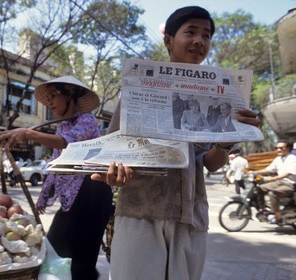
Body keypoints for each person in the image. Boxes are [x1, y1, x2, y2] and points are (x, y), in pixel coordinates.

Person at [91, 6, 261, 280]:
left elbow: (210, 164)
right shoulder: (137, 88)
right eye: (190, 32)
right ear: (168, 40)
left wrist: (227, 142)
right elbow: (114, 152)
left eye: (206, 35)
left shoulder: (220, 94)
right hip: (139, 212)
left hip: (191, 216)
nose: (199, 41)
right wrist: (115, 176)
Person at [0, 75, 113, 280]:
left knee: (83, 254)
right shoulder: (62, 125)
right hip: (73, 194)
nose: (49, 102)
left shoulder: (87, 121)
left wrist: (28, 134)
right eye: (47, 98)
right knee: (56, 247)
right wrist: (45, 193)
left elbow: (67, 142)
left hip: (93, 190)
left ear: (70, 94)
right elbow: (57, 163)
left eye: (53, 96)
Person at [253, 140, 296, 225]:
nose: (278, 150)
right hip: (279, 182)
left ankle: (277, 216)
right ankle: (263, 210)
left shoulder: (293, 159)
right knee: (259, 188)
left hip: (290, 184)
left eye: (281, 148)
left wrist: (272, 178)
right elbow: (268, 169)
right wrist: (254, 172)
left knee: (272, 194)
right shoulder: (278, 159)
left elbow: (287, 174)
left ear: (288, 148)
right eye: (277, 148)